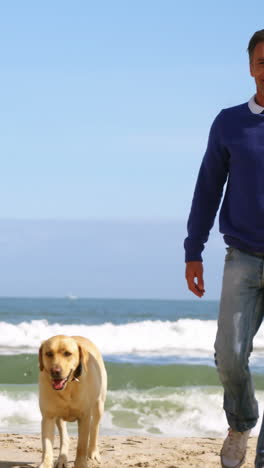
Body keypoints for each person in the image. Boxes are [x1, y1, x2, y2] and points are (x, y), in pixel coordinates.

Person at [184, 30, 264, 468]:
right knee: (229, 356)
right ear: (252, 67)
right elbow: (208, 188)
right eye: (262, 61)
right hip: (243, 256)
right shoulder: (230, 122)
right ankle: (241, 421)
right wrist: (193, 250)